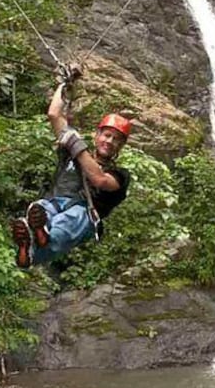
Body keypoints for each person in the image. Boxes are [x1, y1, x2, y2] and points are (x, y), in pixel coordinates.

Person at [11, 79, 132, 268]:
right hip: (54, 201)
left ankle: (41, 240)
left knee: (69, 221)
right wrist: (65, 83)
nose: (109, 141)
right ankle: (33, 241)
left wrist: (76, 144)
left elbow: (99, 180)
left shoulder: (120, 175)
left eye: (116, 139)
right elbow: (54, 114)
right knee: (40, 209)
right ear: (97, 135)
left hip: (84, 213)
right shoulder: (71, 152)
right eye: (107, 135)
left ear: (121, 146)